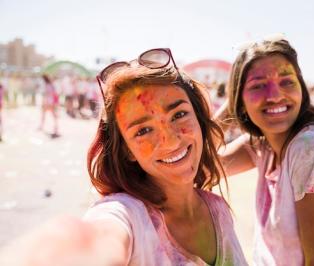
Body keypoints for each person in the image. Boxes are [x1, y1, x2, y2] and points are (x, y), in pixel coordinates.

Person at [1, 48, 247, 266]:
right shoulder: (128, 217)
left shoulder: (218, 210)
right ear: (127, 149)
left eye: (179, 115)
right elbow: (98, 238)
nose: (170, 140)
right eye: (143, 130)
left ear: (199, 118)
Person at [216, 36, 314, 265]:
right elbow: (200, 165)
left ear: (301, 88)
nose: (275, 95)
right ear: (239, 99)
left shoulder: (312, 149)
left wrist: (241, 97)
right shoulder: (265, 143)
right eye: (257, 86)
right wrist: (230, 106)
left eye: (287, 82)